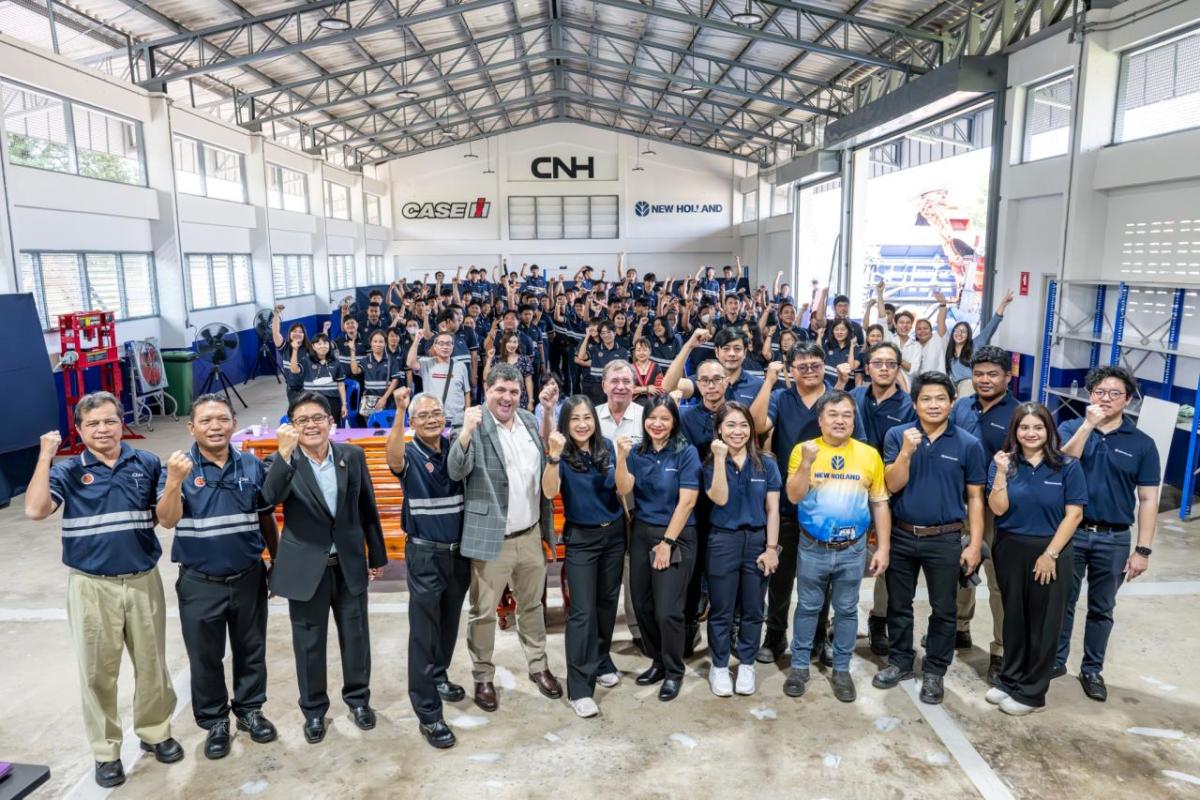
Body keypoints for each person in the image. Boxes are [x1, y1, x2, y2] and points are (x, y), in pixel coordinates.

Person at [24, 392, 181, 788]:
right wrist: (45, 456)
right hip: (92, 587)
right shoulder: (68, 471)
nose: (103, 429)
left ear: (121, 422)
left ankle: (155, 732)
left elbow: (167, 520)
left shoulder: (145, 463)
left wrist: (174, 482)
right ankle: (106, 752)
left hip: (143, 580)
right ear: (79, 430)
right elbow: (36, 510)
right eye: (92, 424)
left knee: (152, 665)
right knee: (97, 674)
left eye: (110, 421)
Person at [155, 394, 279, 759]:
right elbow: (166, 519)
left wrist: (278, 561)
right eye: (206, 421)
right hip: (200, 582)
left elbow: (266, 516)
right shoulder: (178, 467)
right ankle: (215, 722)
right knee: (205, 656)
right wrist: (174, 482)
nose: (215, 426)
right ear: (191, 427)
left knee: (251, 648)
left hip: (248, 576)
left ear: (234, 424)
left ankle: (250, 711)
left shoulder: (251, 466)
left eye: (222, 419)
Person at [261, 393, 388, 744]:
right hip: (305, 569)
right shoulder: (280, 461)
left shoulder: (351, 455)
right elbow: (266, 501)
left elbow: (367, 507)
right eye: (303, 420)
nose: (312, 425)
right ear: (291, 427)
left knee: (356, 638)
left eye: (318, 418)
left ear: (331, 422)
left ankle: (359, 700)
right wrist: (285, 454)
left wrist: (376, 555)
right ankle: (314, 710)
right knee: (309, 643)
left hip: (347, 564)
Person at [449, 364, 563, 712]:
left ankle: (538, 666)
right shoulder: (473, 423)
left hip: (529, 534)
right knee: (483, 613)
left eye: (513, 392)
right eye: (501, 390)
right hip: (491, 539)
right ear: (487, 390)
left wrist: (546, 412)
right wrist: (466, 433)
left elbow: (547, 458)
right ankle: (483, 676)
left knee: (531, 606)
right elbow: (456, 470)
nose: (507, 398)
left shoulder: (528, 421)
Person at [872, 372, 985, 705]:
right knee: (898, 604)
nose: (933, 405)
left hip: (946, 537)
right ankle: (900, 662)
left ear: (952, 403)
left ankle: (935, 670)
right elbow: (891, 485)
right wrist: (906, 452)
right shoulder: (897, 436)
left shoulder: (968, 444)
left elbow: (976, 498)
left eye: (940, 399)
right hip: (903, 533)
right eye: (926, 399)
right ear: (914, 402)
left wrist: (975, 544)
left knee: (944, 609)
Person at [1055, 366, 1160, 702]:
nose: (1107, 398)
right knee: (1062, 602)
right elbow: (1062, 461)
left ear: (1128, 399)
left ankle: (1091, 669)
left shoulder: (1142, 444)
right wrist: (1089, 424)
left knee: (1102, 608)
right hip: (1072, 532)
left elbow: (1147, 498)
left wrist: (1143, 551)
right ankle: (1055, 661)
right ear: (1090, 395)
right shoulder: (1071, 427)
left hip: (1114, 539)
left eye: (1116, 393)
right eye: (1100, 392)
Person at [784, 390, 890, 702]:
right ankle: (800, 666)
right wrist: (805, 464)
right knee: (807, 606)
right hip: (813, 547)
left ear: (854, 419)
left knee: (846, 609)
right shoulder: (803, 450)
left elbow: (880, 503)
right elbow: (793, 495)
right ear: (820, 420)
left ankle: (841, 669)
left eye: (846, 414)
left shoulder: (869, 455)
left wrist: (882, 547)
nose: (840, 420)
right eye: (833, 414)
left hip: (852, 549)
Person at [750, 345, 849, 666]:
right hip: (787, 507)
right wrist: (769, 380)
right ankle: (775, 637)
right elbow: (757, 423)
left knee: (821, 582)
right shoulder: (782, 398)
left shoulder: (833, 401)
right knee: (780, 580)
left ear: (825, 366)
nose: (809, 370)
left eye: (815, 365)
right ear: (791, 369)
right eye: (802, 366)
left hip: (825, 506)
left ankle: (819, 638)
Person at [986, 403, 1086, 715]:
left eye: (1038, 427)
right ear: (1015, 431)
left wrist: (1050, 554)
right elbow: (998, 509)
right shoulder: (1004, 463)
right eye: (1024, 427)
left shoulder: (1067, 465)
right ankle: (1011, 678)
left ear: (1049, 431)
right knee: (1013, 617)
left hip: (1050, 552)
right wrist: (1001, 474)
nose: (1031, 433)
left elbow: (1075, 514)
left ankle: (1032, 694)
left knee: (1043, 624)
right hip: (1009, 548)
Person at [386, 389, 469, 748]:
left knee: (449, 622)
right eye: (424, 416)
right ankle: (428, 713)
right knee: (423, 631)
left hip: (459, 554)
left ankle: (439, 675)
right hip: (424, 554)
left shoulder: (455, 447)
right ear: (413, 423)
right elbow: (393, 457)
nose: (432, 419)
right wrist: (401, 411)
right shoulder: (409, 454)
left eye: (436, 413)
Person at [543, 396, 626, 718]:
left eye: (587, 417)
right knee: (581, 612)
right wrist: (552, 458)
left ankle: (601, 658)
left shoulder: (606, 446)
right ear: (566, 423)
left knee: (607, 604)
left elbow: (622, 488)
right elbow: (550, 492)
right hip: (582, 539)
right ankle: (580, 688)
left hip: (614, 534)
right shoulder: (559, 453)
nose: (581, 424)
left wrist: (623, 458)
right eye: (575, 418)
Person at [615, 395, 701, 701]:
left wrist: (667, 542)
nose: (658, 424)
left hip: (676, 534)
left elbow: (688, 501)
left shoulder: (685, 453)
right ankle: (658, 661)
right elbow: (624, 489)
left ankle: (674, 671)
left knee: (668, 610)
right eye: (652, 418)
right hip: (641, 534)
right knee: (644, 605)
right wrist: (622, 458)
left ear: (674, 421)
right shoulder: (637, 453)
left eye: (665, 418)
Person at [952, 345, 1021, 684]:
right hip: (962, 505)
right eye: (978, 374)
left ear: (1008, 377)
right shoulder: (960, 408)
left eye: (993, 374)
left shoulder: (1020, 414)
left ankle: (1001, 650)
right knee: (962, 570)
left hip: (999, 509)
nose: (984, 380)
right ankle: (960, 628)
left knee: (997, 581)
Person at [703, 403, 781, 697]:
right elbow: (719, 499)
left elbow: (773, 509)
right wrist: (720, 458)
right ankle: (720, 665)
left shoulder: (767, 463)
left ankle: (747, 663)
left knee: (753, 608)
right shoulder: (710, 463)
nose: (738, 431)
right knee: (721, 609)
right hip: (723, 540)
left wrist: (772, 548)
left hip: (757, 541)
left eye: (744, 425)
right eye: (731, 425)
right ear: (719, 430)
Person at [848, 341, 917, 656]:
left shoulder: (908, 407)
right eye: (878, 362)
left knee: (887, 561)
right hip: (851, 489)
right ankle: (841, 616)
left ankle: (879, 619)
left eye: (891, 363)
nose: (885, 368)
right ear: (868, 366)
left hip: (891, 492)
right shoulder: (854, 398)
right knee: (847, 555)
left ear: (899, 367)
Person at [595, 360, 644, 651]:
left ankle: (638, 630)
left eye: (626, 381)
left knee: (633, 568)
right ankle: (601, 634)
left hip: (637, 503)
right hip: (600, 502)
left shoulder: (645, 415)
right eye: (614, 381)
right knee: (606, 570)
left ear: (634, 386)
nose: (621, 386)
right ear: (604, 385)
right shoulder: (591, 416)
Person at [939, 290, 1014, 396]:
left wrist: (1003, 304)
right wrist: (942, 304)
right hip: (956, 389)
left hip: (971, 387)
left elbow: (992, 326)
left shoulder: (975, 345)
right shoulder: (948, 347)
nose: (959, 333)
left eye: (964, 331)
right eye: (957, 330)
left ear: (968, 335)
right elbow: (941, 324)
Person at [410, 330, 472, 427]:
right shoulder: (427, 363)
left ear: (453, 346)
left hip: (457, 419)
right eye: (441, 343)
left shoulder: (461, 366)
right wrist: (417, 340)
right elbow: (410, 363)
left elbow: (466, 392)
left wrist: (467, 415)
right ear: (435, 346)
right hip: (433, 419)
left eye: (448, 344)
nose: (445, 347)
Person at [290, 333, 347, 424]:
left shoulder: (336, 362)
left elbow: (341, 384)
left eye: (325, 343)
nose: (323, 346)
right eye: (319, 344)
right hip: (311, 400)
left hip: (332, 401)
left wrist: (344, 404)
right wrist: (295, 350)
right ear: (313, 346)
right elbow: (294, 370)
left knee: (333, 427)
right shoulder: (306, 360)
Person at [350, 329, 402, 419]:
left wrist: (384, 398)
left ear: (385, 343)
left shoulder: (391, 360)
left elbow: (395, 380)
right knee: (370, 428)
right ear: (371, 343)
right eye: (375, 341)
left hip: (387, 399)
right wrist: (352, 352)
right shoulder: (365, 360)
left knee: (386, 427)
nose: (378, 344)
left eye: (381, 341)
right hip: (368, 399)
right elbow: (355, 371)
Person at [485, 329, 535, 410]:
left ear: (518, 344)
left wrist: (530, 401)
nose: (512, 345)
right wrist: (489, 359)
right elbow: (486, 377)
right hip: (500, 399)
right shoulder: (497, 359)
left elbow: (528, 381)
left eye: (515, 342)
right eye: (509, 342)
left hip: (520, 400)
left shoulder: (525, 359)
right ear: (504, 343)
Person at [272, 307, 309, 403]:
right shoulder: (285, 347)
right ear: (290, 333)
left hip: (308, 388)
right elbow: (275, 333)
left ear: (304, 335)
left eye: (300, 332)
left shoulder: (309, 349)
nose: (297, 333)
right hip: (291, 389)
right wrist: (276, 314)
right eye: (294, 331)